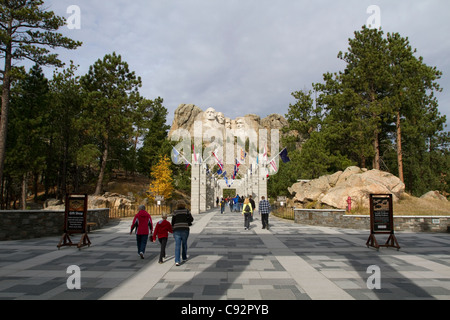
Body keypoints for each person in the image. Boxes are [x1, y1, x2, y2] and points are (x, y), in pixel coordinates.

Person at [171, 200, 194, 266]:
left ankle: (177, 260)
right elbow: (191, 219)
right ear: (184, 204)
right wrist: (187, 221)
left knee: (177, 245)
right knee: (184, 244)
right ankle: (184, 257)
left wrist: (172, 229)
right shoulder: (186, 211)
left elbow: (173, 221)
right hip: (184, 229)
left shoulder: (175, 212)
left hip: (177, 229)